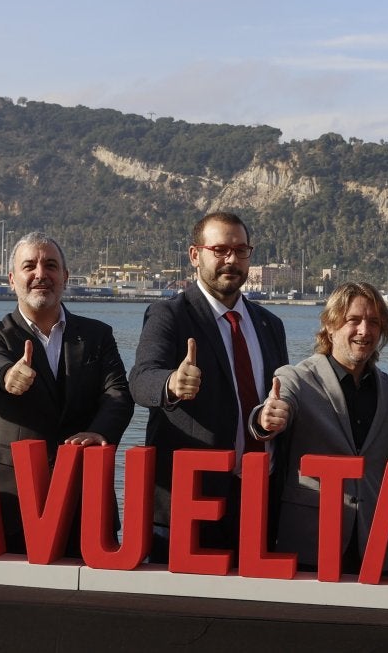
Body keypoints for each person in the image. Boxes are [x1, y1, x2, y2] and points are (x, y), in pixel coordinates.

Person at [128, 211, 288, 559]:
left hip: (260, 498)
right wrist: (172, 383)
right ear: (195, 255)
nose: (231, 259)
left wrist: (279, 413)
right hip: (188, 504)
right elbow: (141, 380)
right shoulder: (169, 314)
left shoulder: (269, 324)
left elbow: (274, 396)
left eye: (241, 250)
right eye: (220, 249)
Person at [0, 233, 133, 554]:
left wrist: (99, 432)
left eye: (50, 265)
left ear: (65, 276)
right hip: (14, 503)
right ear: (12, 279)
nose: (40, 274)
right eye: (29, 266)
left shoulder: (97, 335)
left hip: (85, 498)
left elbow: (118, 394)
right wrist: (8, 375)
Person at [253, 282, 388, 574]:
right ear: (330, 327)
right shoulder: (296, 378)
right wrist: (265, 418)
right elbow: (273, 408)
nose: (364, 330)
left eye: (373, 322)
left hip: (374, 543)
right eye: (353, 320)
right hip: (310, 541)